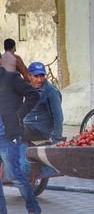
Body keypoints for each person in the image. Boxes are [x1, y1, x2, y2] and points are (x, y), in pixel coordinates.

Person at [0, 53, 42, 214]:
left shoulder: (12, 78)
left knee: (14, 176)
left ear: (0, 61)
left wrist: (19, 115)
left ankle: (33, 208)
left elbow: (33, 94)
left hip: (8, 136)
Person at [23, 62, 63, 144]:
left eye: (42, 76)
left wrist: (56, 140)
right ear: (29, 76)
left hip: (41, 130)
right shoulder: (29, 88)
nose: (39, 80)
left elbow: (58, 117)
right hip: (29, 126)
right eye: (36, 76)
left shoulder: (51, 92)